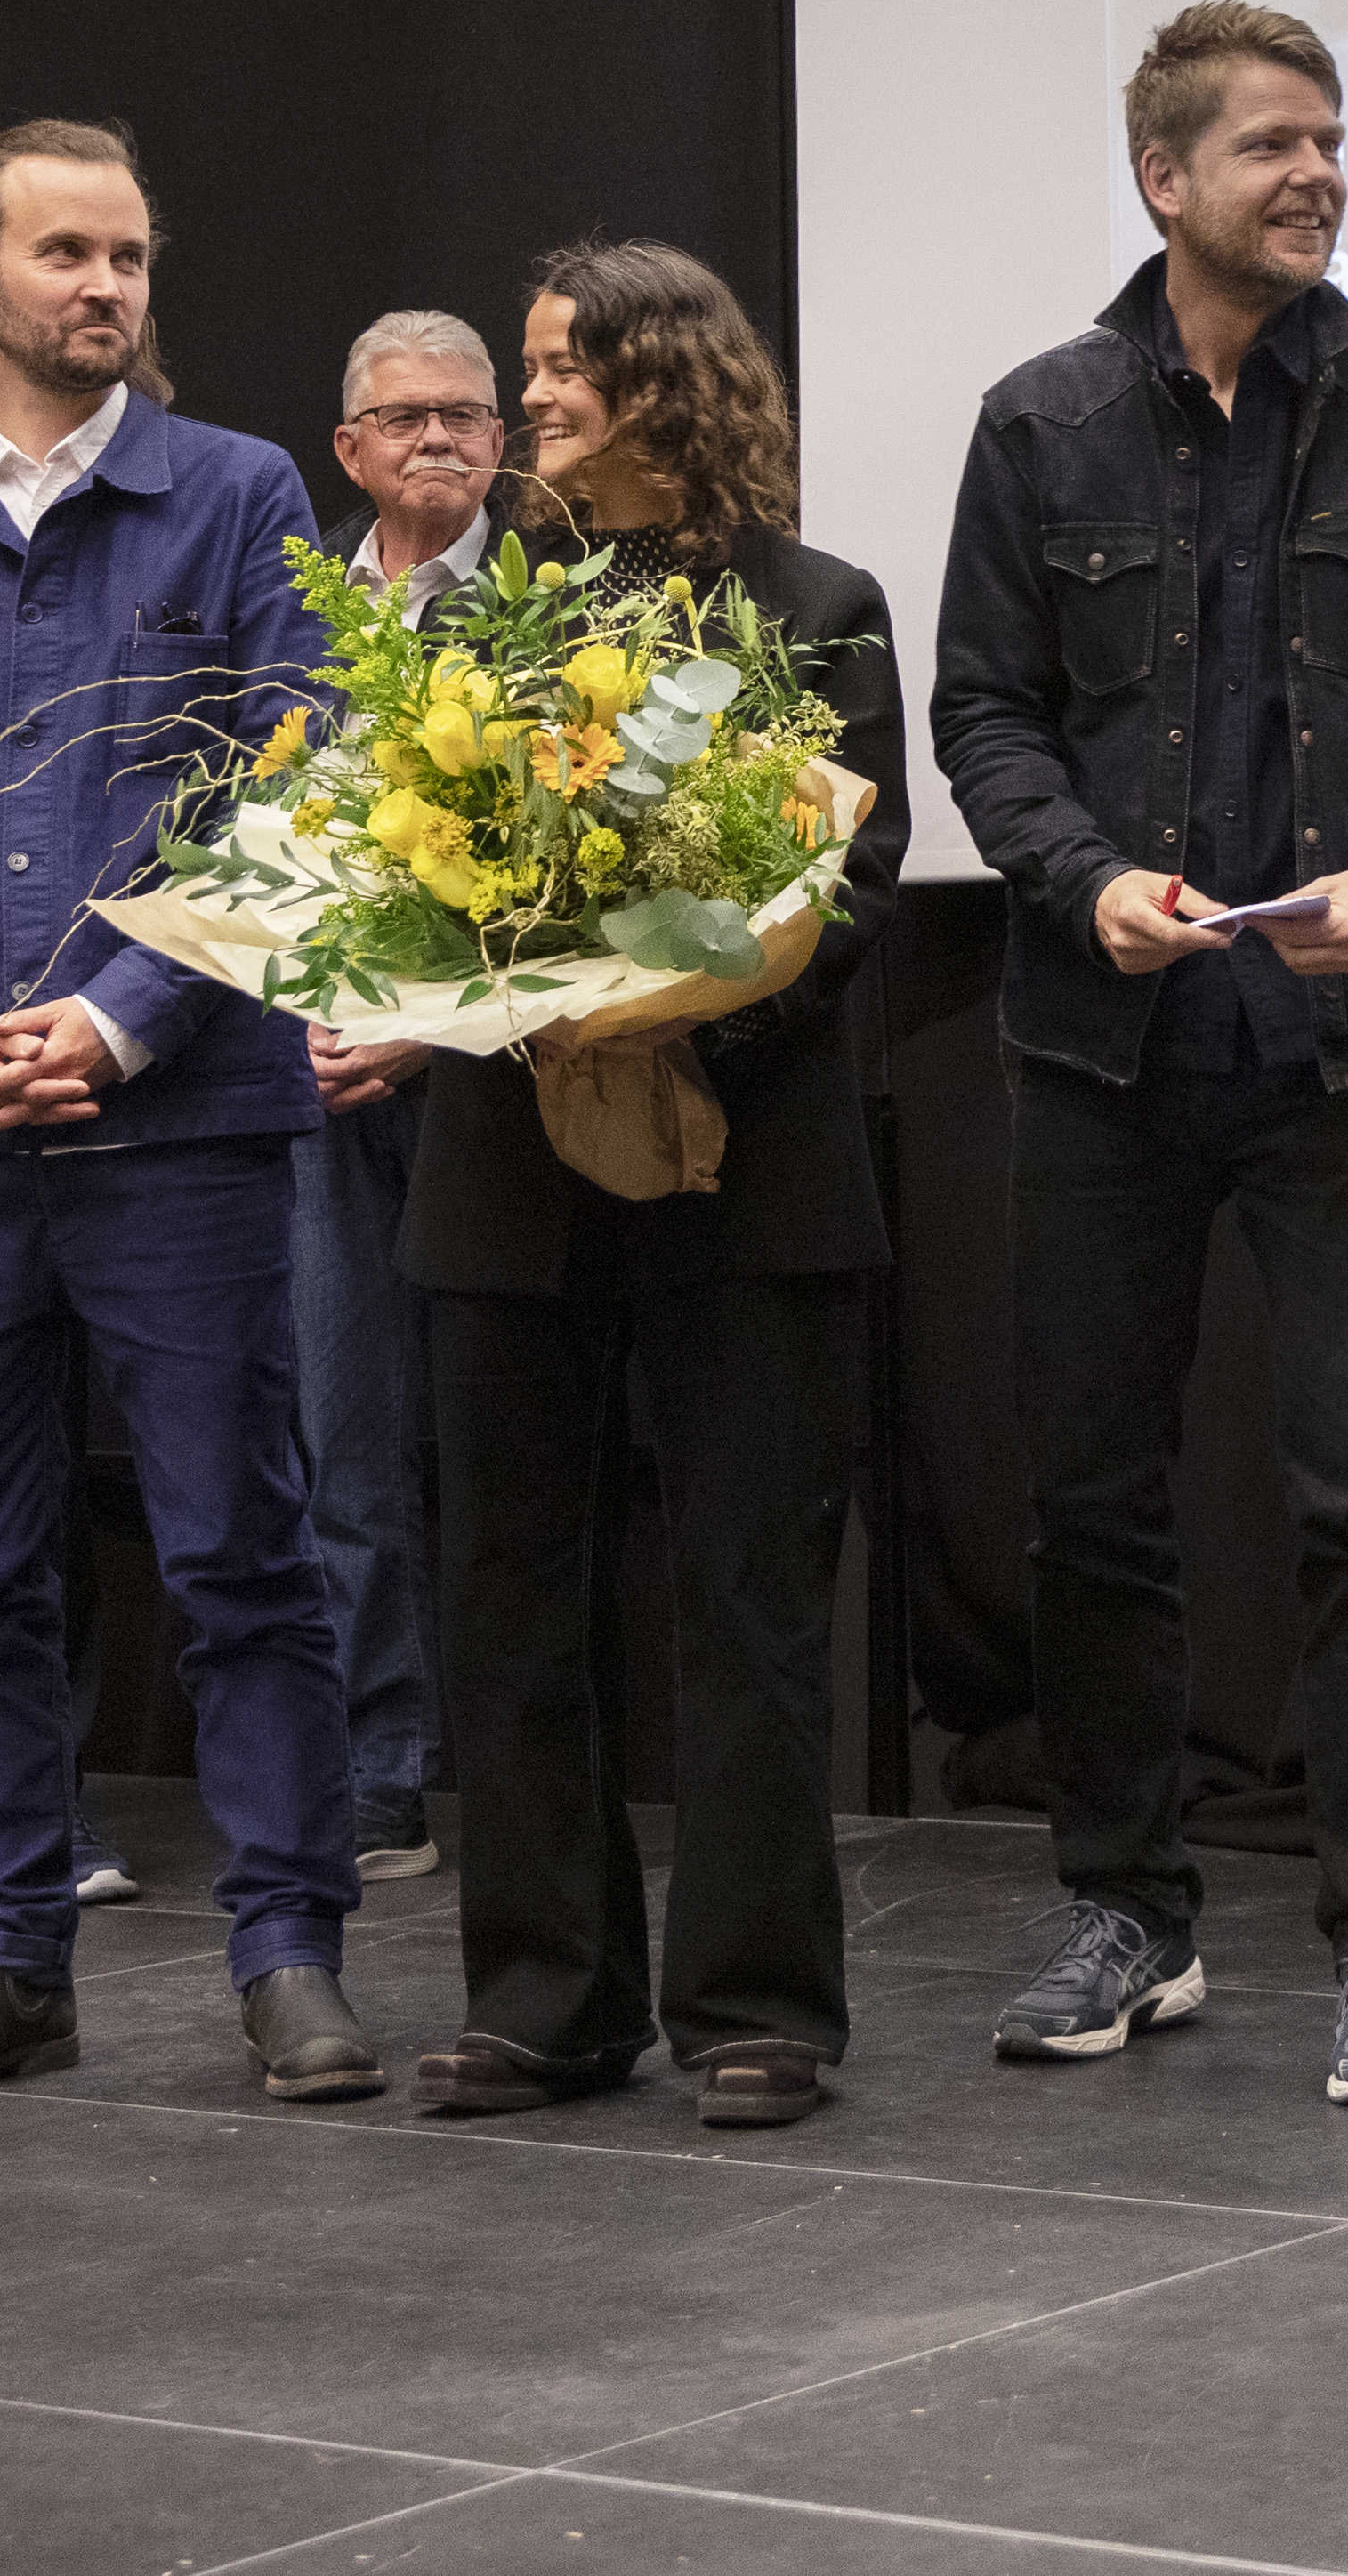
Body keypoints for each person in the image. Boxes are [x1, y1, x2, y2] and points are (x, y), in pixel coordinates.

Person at [935, 0, 1348, 2112]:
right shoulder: (1038, 424)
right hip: (1108, 1042)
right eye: (1270, 144)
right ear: (1161, 178)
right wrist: (1079, 870)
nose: (1316, 173)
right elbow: (981, 712)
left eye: (1328, 139)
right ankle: (1126, 1901)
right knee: (1094, 1494)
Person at [0, 117, 383, 2111]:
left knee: (243, 1556)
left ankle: (289, 1949)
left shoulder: (236, 492)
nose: (106, 287)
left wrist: (115, 1020)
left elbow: (289, 790)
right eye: (64, 254)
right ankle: (4, 1955)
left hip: (183, 1129)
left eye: (128, 256)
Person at [397, 242, 913, 2129]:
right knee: (510, 1592)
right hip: (503, 1173)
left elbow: (841, 902)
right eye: (527, 367)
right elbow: (408, 861)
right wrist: (516, 1006)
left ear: (664, 379)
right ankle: (546, 1995)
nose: (529, 398)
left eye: (560, 367)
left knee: (748, 1600)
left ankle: (756, 2002)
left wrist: (665, 1032)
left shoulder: (816, 608)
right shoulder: (474, 624)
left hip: (748, 1168)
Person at [299, 307, 513, 1885]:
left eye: (469, 412)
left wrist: (435, 1028)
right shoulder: (281, 610)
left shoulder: (558, 604)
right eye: (408, 416)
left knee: (506, 1429)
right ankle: (377, 1757)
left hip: (502, 1080)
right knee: (340, 1431)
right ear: (349, 447)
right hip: (311, 1083)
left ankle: (513, 1752)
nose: (441, 437)